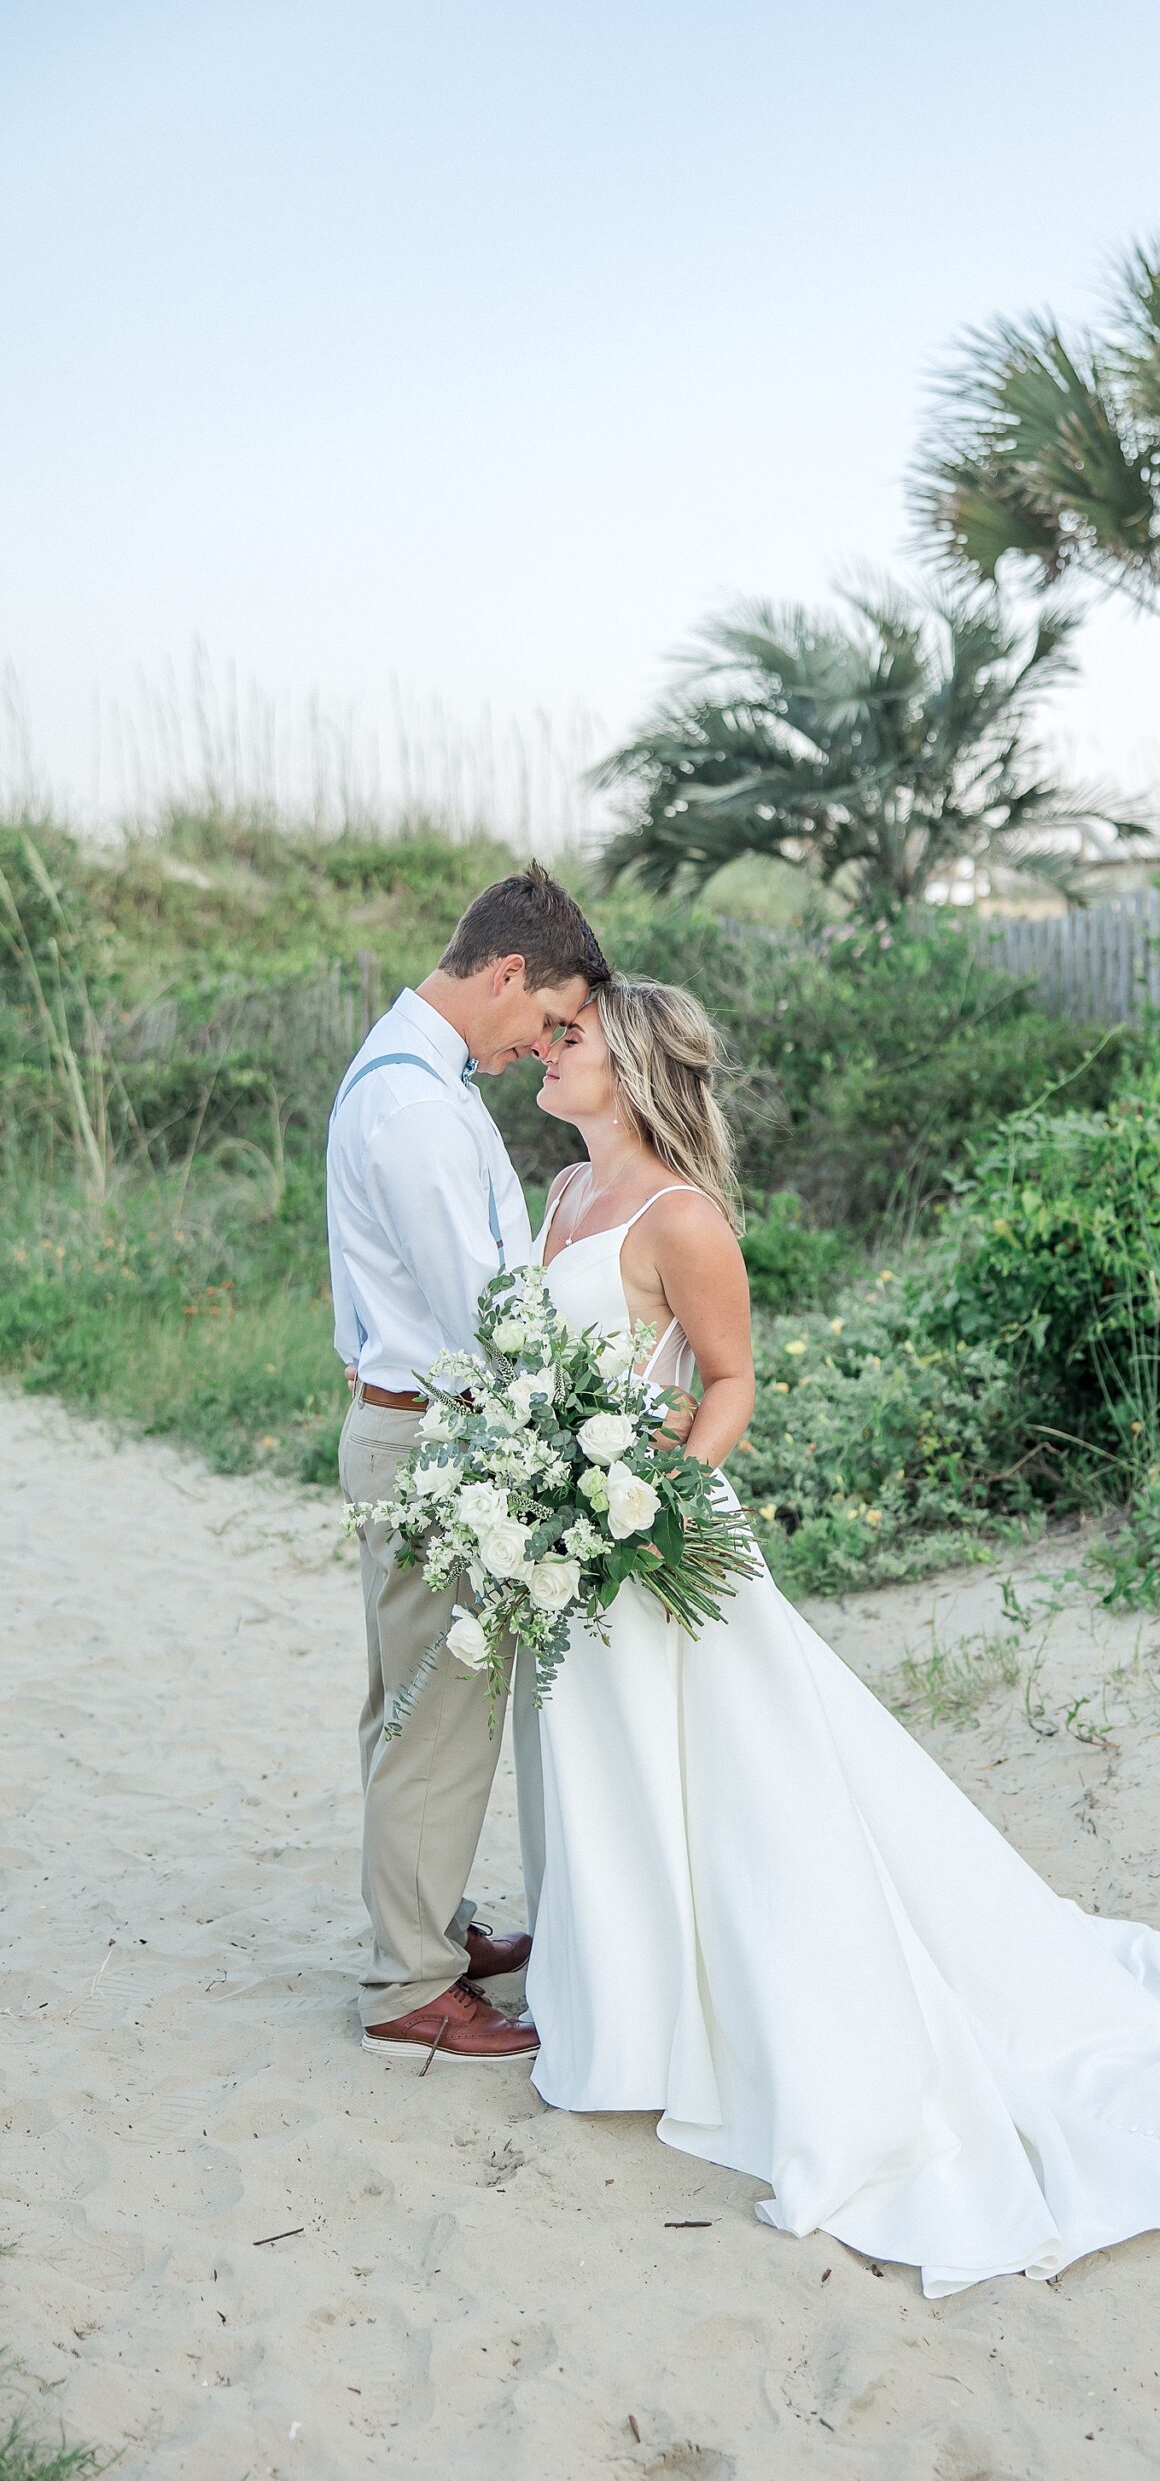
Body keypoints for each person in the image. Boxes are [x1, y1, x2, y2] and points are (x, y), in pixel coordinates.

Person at [522, 978, 1160, 2297]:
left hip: (654, 1536)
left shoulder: (682, 1219)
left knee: (737, 1796)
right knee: (612, 1786)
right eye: (546, 1037)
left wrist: (648, 1499)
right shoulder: (560, 1196)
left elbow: (728, 1385)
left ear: (628, 1065)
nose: (546, 1054)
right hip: (568, 1535)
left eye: (570, 1040)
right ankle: (623, 2026)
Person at [329, 862, 609, 2065]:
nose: (539, 1047)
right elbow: (483, 1317)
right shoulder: (413, 1108)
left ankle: (427, 1925)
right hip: (430, 1436)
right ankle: (411, 1985)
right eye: (547, 1020)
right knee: (434, 1713)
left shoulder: (418, 1080)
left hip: (413, 1423)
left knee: (413, 1704)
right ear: (506, 973)